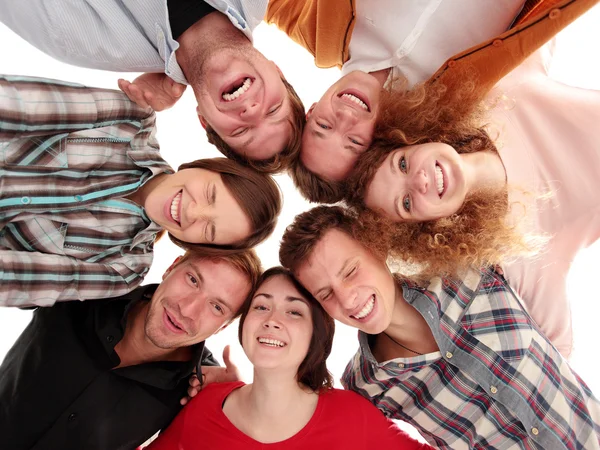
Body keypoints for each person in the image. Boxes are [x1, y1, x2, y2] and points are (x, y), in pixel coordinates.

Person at [344, 42, 600, 358]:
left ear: (414, 140)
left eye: (403, 164)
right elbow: (557, 361)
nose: (420, 181)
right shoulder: (521, 250)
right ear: (425, 226)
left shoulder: (494, 93)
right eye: (406, 203)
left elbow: (539, 21)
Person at [279, 205, 600, 450]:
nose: (348, 299)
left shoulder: (469, 269)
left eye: (350, 271)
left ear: (376, 248)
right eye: (326, 294)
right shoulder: (366, 386)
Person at [266, 0, 597, 201]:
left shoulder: (308, 20)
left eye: (323, 125)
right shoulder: (451, 97)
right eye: (353, 141)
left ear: (311, 110)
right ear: (377, 142)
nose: (344, 118)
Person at [0, 75, 281, 307]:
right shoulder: (132, 120)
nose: (193, 211)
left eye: (209, 230)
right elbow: (16, 105)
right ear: (206, 167)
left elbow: (16, 280)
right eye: (210, 194)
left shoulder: (126, 269)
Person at [0, 249, 261, 450]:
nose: (188, 309)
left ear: (223, 327)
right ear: (171, 267)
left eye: (217, 307)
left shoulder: (199, 389)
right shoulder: (89, 285)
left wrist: (233, 408)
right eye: (193, 280)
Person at [0, 0, 306, 172]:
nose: (252, 110)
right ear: (277, 71)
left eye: (241, 131)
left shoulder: (81, 41)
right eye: (274, 109)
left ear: (204, 119)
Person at [148, 266, 432, 449]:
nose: (272, 320)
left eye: (294, 311)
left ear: (316, 336)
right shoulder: (205, 405)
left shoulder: (354, 418)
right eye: (261, 307)